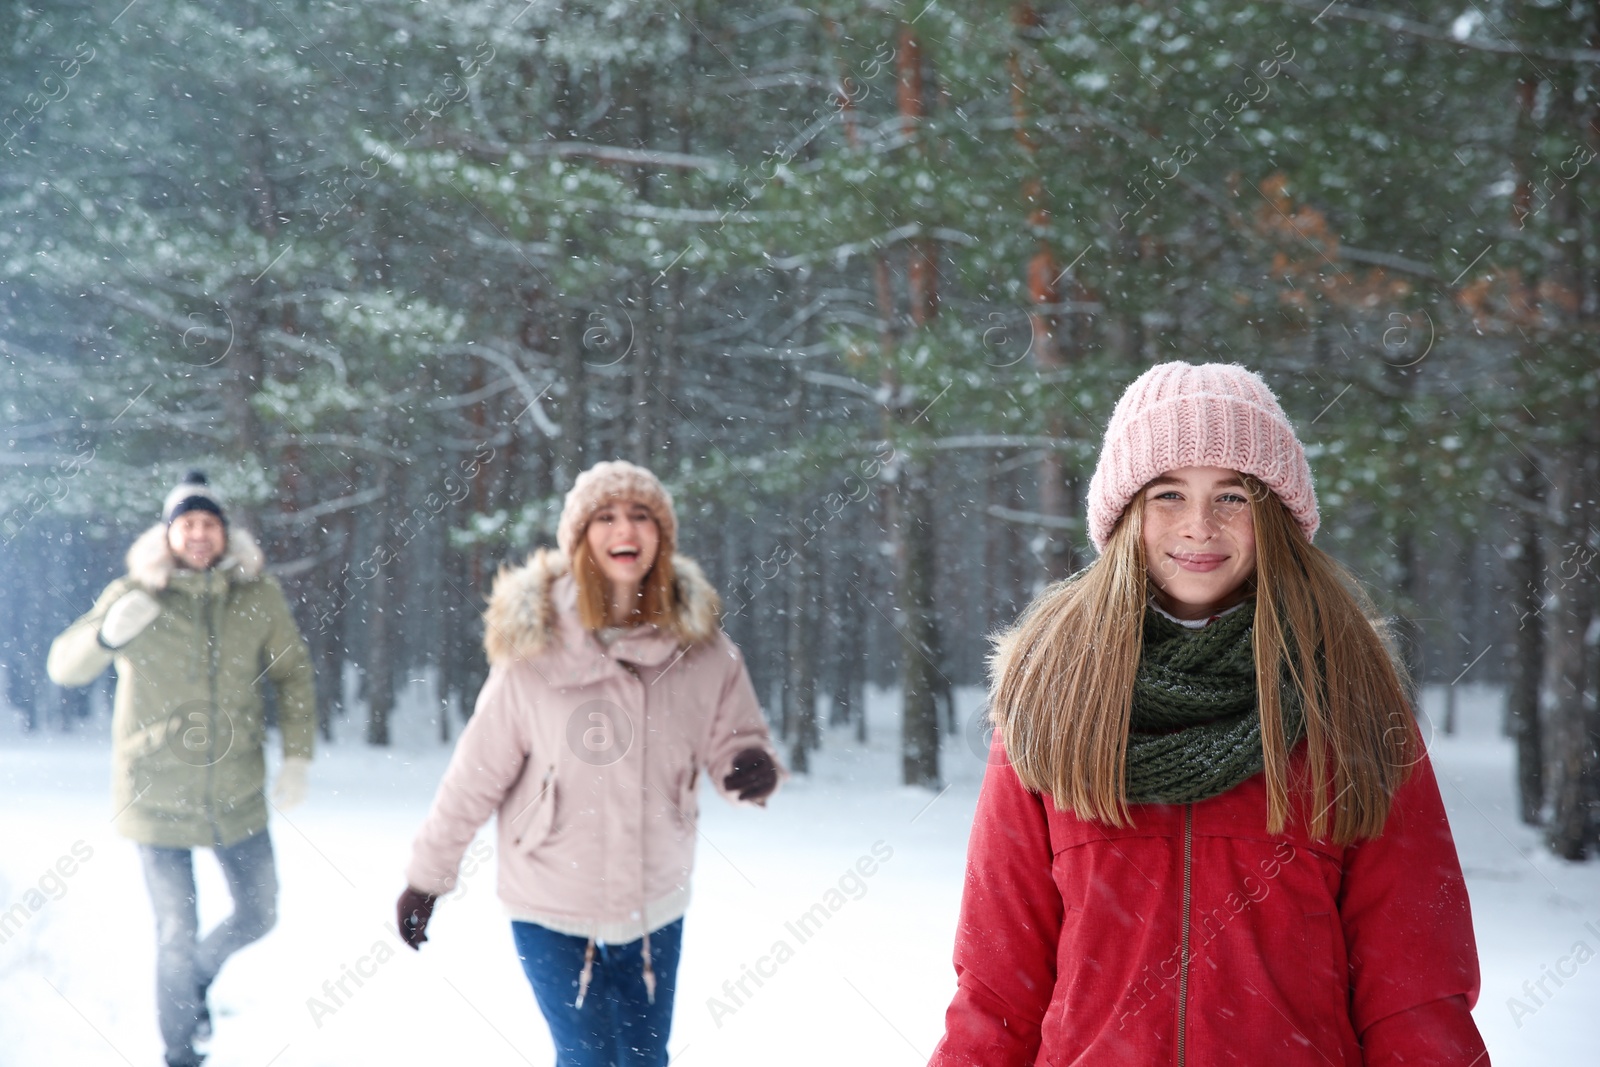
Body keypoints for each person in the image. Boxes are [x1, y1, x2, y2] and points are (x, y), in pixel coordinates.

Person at [929, 363, 1487, 1065]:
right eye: (1168, 493)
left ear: (1277, 516)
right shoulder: (1054, 703)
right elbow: (997, 992)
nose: (1200, 525)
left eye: (1232, 494)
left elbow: (1417, 992)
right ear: (1125, 512)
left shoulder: (1349, 702)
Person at [397, 459, 783, 1067]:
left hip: (655, 902)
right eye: (604, 516)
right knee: (589, 1058)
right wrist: (427, 878)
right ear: (580, 538)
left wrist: (751, 768)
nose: (622, 528)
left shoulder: (705, 652)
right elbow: (473, 778)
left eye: (639, 515)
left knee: (644, 1060)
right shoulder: (533, 651)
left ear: (661, 535)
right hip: (550, 901)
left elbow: (736, 744)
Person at [47, 470, 315, 1067]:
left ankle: (191, 979)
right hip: (155, 794)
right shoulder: (136, 595)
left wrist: (297, 756)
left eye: (209, 523)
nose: (198, 535)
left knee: (260, 911)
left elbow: (293, 676)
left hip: (236, 789)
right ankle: (181, 1050)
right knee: (174, 932)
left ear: (225, 533)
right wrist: (109, 636)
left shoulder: (257, 596)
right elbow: (65, 667)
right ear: (168, 534)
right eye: (187, 524)